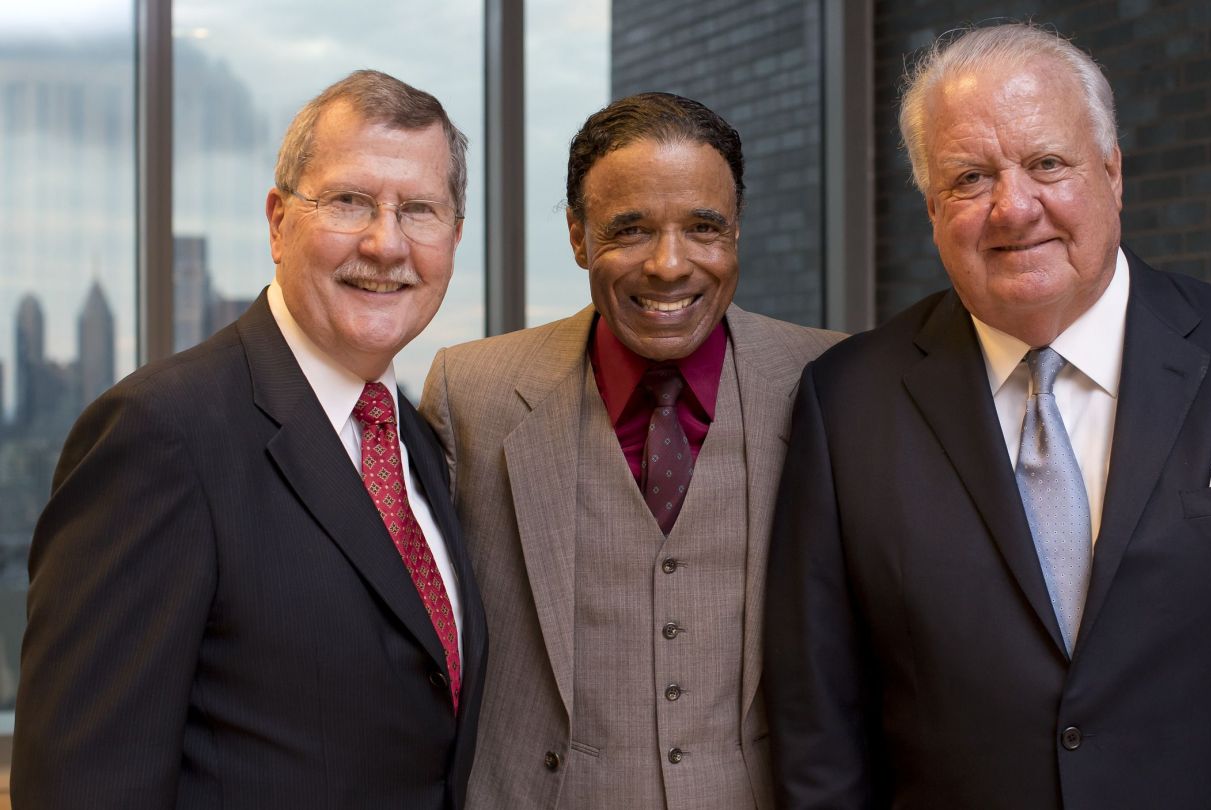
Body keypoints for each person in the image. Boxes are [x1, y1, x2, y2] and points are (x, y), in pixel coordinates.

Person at [764, 22, 1211, 809]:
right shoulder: (847, 401)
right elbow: (819, 729)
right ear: (932, 207)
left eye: (1046, 163)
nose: (1012, 207)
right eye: (969, 178)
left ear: (1112, 173)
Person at [14, 69, 486, 809]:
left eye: (420, 210)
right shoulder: (159, 435)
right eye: (350, 201)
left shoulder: (417, 440)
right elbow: (83, 784)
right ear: (276, 222)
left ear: (454, 239)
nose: (386, 242)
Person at [420, 91, 842, 810]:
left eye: (704, 227)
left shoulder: (828, 383)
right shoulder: (472, 393)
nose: (669, 265)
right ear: (580, 238)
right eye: (631, 230)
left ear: (737, 231)